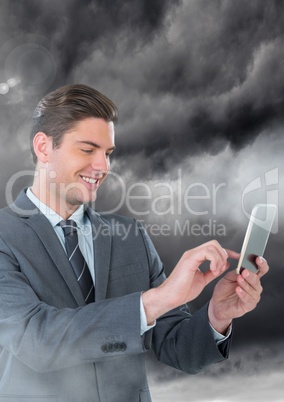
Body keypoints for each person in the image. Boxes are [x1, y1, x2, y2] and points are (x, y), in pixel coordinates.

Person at [0, 84, 268, 402]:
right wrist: (155, 300)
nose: (103, 167)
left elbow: (175, 346)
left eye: (108, 153)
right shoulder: (5, 236)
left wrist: (217, 315)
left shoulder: (130, 235)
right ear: (44, 148)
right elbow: (36, 339)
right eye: (87, 149)